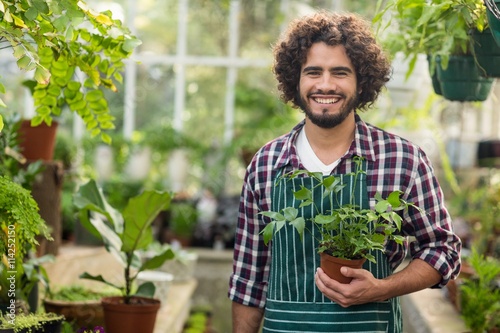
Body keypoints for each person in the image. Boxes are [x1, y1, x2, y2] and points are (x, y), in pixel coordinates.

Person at [228, 10, 462, 333]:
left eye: (340, 72)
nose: (325, 84)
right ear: (295, 80)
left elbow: (443, 251)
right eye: (313, 72)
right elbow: (248, 283)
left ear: (361, 81)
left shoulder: (402, 159)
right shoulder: (266, 165)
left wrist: (382, 288)